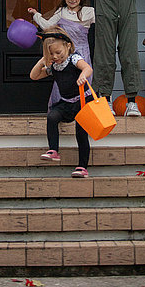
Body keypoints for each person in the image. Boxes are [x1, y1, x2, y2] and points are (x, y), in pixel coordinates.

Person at [29, 26, 93, 178]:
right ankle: (53, 150)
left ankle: (82, 167)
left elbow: (87, 68)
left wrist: (83, 75)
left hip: (83, 102)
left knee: (81, 133)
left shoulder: (74, 58)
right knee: (52, 116)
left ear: (68, 46)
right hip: (66, 103)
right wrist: (43, 60)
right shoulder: (55, 65)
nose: (55, 56)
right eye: (51, 54)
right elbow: (34, 76)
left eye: (58, 52)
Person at [28, 0, 95, 110]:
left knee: (82, 81)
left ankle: (83, 112)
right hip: (65, 54)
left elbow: (104, 22)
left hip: (82, 52)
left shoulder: (88, 12)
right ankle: (62, 110)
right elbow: (47, 25)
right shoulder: (61, 12)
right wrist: (36, 15)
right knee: (64, 81)